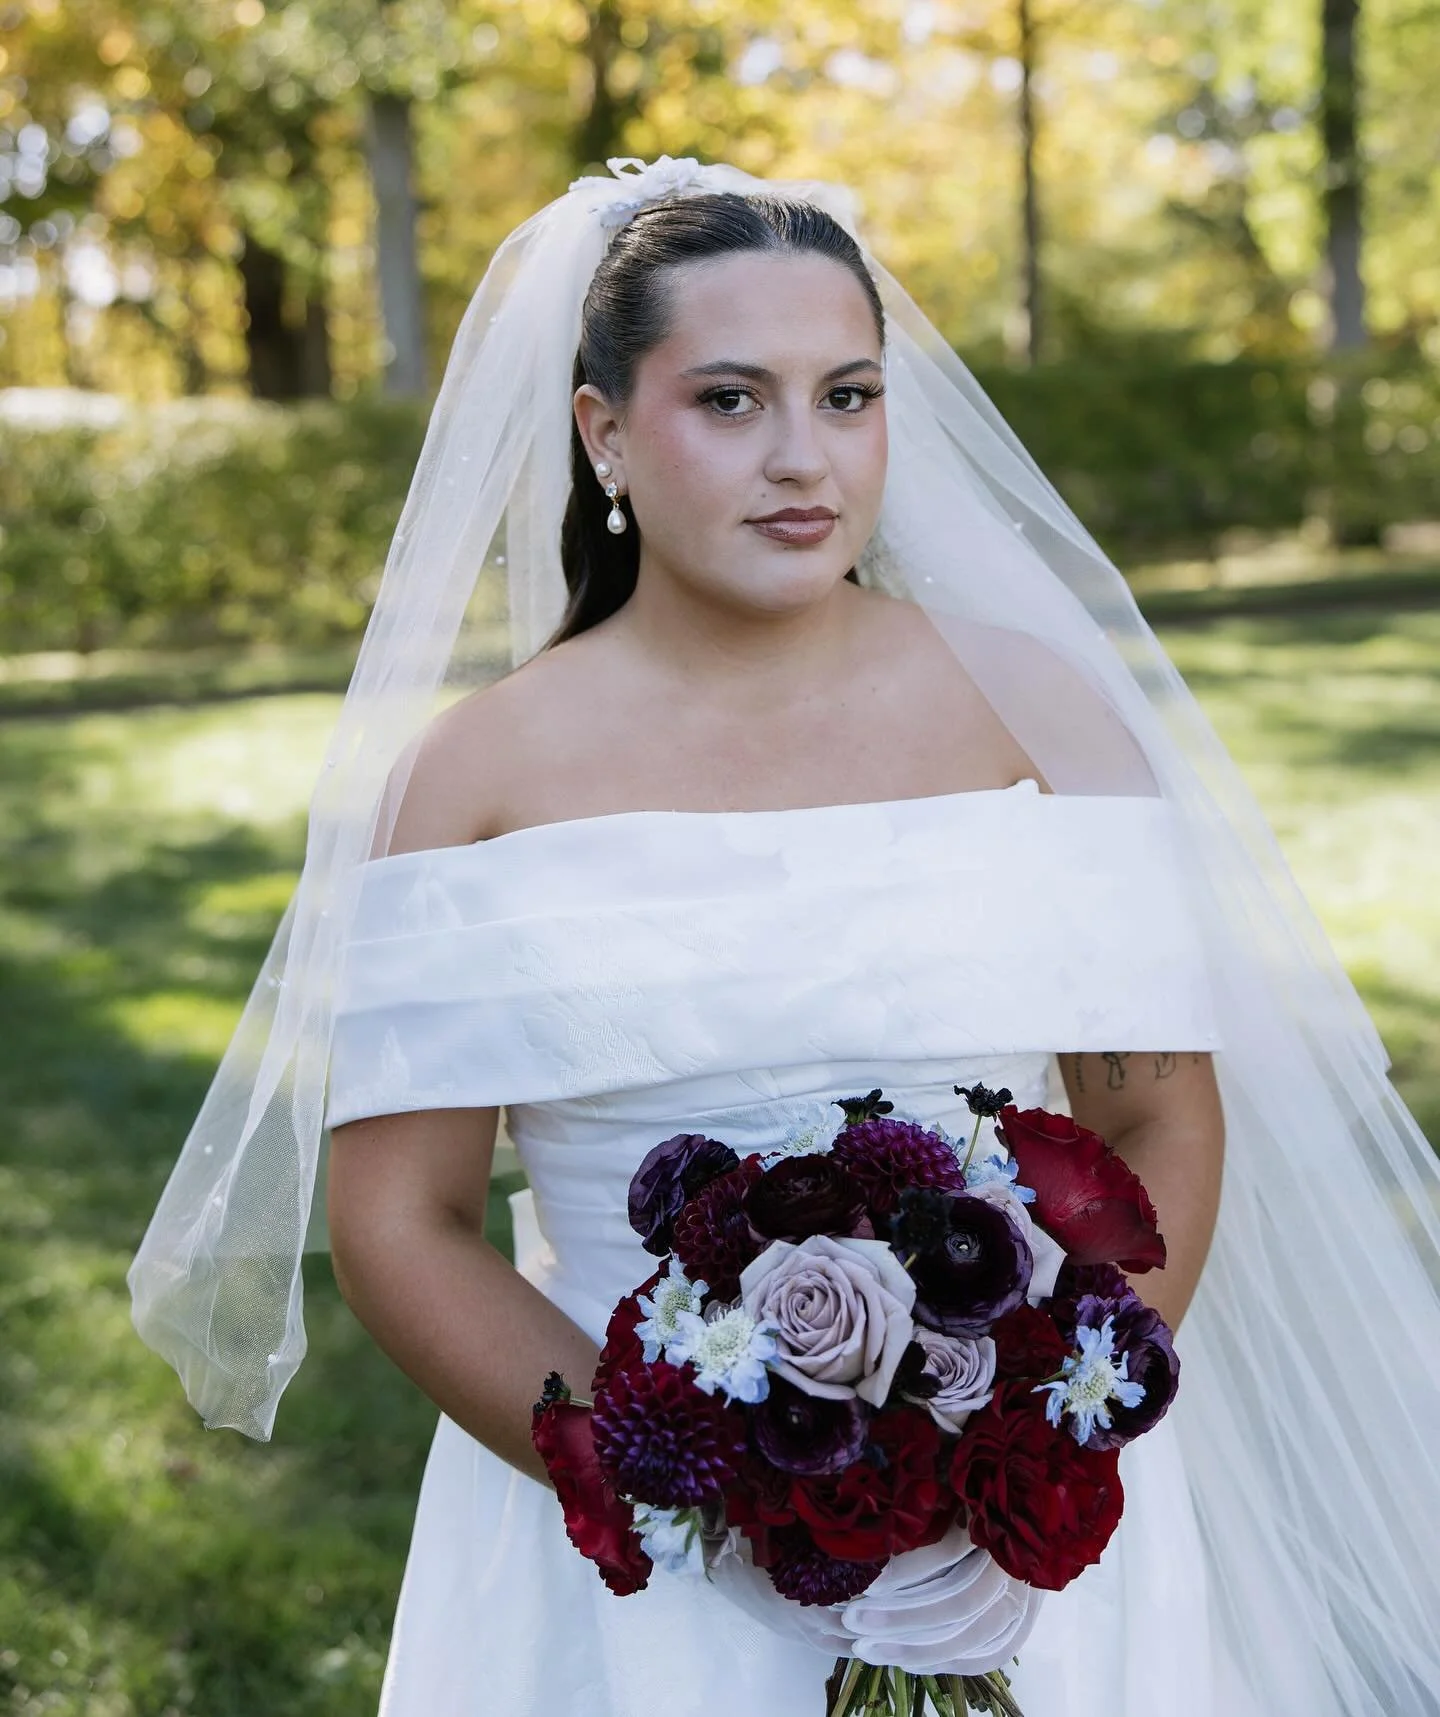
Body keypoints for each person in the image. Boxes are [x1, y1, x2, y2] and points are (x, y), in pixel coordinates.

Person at [127, 159, 1440, 1717]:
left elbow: (1151, 1109)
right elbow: (403, 1223)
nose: (804, 459)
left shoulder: (1041, 712)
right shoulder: (474, 780)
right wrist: (700, 1494)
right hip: (644, 1552)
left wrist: (1044, 1441)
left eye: (850, 394)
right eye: (732, 400)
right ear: (604, 430)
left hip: (1018, 1554)